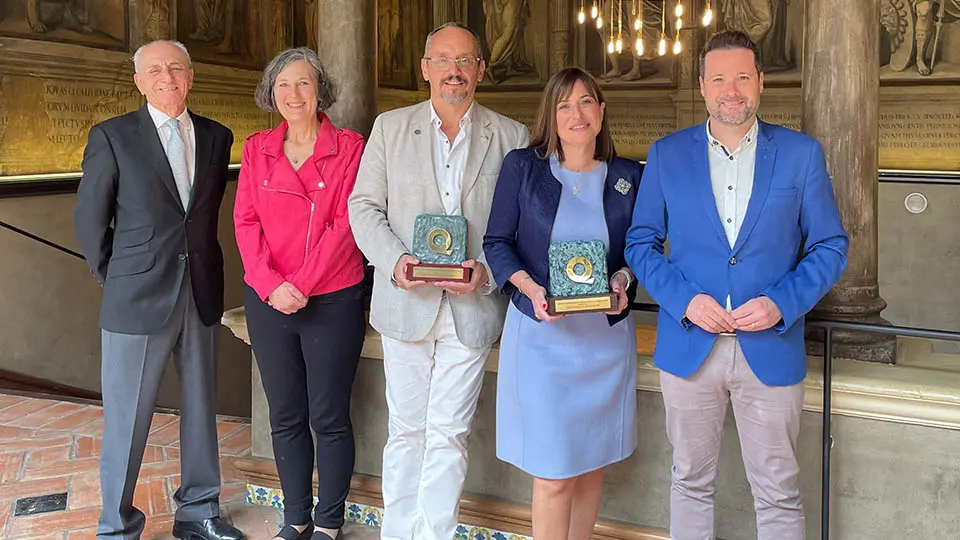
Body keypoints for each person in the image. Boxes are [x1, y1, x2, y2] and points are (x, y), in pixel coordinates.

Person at [624, 30, 849, 540]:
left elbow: (830, 246)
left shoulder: (800, 154)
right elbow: (639, 244)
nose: (732, 90)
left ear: (761, 83)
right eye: (719, 78)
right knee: (689, 482)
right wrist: (685, 300)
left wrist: (781, 303)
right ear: (702, 86)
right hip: (689, 347)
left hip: (769, 346)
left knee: (778, 490)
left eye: (742, 77)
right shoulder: (666, 154)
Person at [347, 22, 529, 540]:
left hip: (471, 309)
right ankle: (398, 532)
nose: (454, 71)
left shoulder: (510, 135)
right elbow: (363, 207)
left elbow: (517, 227)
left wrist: (489, 272)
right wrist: (395, 260)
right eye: (444, 60)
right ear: (425, 68)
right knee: (405, 429)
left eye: (465, 60)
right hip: (406, 301)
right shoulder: (390, 127)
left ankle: (434, 534)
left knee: (450, 432)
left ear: (480, 70)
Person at [73, 40, 242, 540]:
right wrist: (118, 273)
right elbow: (89, 221)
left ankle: (198, 511)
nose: (166, 77)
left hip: (201, 290)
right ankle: (116, 525)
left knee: (200, 408)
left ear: (190, 76)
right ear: (139, 81)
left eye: (175, 68)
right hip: (137, 296)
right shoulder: (112, 136)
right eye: (155, 70)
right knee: (127, 419)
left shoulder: (217, 136)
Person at [483, 66, 641, 540]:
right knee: (553, 475)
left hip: (604, 347)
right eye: (565, 104)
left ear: (601, 112)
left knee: (591, 467)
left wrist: (622, 282)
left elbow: (639, 251)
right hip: (542, 343)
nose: (577, 113)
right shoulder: (522, 167)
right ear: (550, 115)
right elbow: (496, 242)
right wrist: (530, 290)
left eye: (587, 101)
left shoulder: (630, 176)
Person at [233, 47, 365, 540]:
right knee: (285, 414)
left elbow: (346, 225)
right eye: (284, 85)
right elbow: (245, 222)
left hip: (331, 298)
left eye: (304, 83)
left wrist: (302, 285)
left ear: (321, 90)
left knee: (329, 415)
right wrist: (271, 286)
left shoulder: (351, 147)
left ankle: (329, 521)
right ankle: (295, 519)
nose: (293, 94)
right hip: (269, 300)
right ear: (271, 93)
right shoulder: (256, 148)